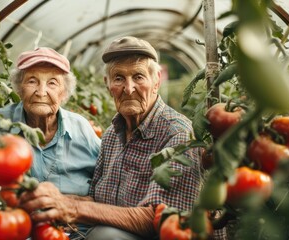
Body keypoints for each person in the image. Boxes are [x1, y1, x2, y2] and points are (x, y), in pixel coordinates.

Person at [19, 36, 203, 239]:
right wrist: (49, 202)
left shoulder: (176, 134)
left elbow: (165, 221)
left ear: (156, 81)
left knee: (105, 236)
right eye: (119, 78)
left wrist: (72, 208)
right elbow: (98, 202)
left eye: (139, 77)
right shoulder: (111, 135)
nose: (129, 88)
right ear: (108, 84)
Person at [0, 47, 101, 199]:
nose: (41, 92)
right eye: (32, 81)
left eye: (52, 83)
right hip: (13, 219)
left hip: (74, 221)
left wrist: (79, 203)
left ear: (64, 93)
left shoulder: (81, 128)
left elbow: (106, 182)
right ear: (19, 88)